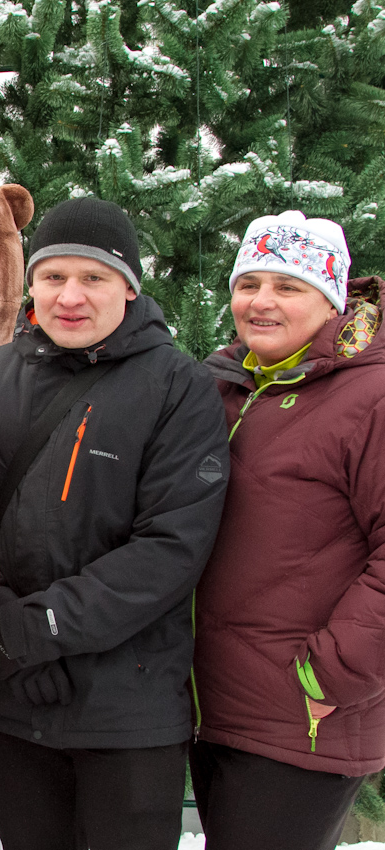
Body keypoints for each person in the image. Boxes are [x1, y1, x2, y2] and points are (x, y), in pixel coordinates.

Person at [0, 197, 230, 850]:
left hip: (127, 710)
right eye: (53, 276)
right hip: (10, 695)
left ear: (129, 286)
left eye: (93, 276)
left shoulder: (178, 388)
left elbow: (171, 546)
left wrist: (36, 629)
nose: (70, 296)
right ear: (31, 284)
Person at [190, 211, 385, 850]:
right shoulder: (224, 385)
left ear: (332, 300)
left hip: (304, 718)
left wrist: (329, 677)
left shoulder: (371, 397)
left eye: (288, 286)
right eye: (248, 284)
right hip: (211, 706)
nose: (261, 301)